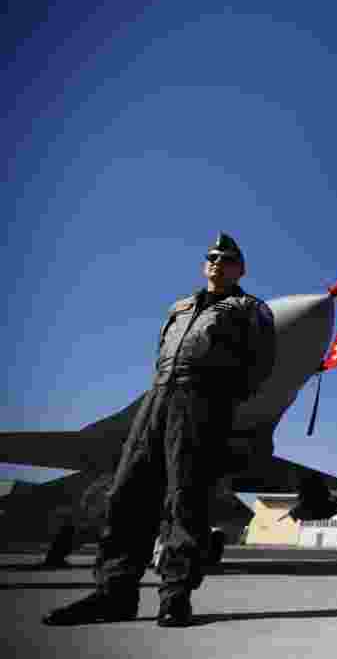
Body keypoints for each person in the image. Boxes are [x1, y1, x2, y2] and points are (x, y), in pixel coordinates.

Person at [43, 233, 276, 627]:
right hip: (157, 398)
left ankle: (175, 597)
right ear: (205, 265)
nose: (217, 262)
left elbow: (261, 364)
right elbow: (161, 353)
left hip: (202, 401)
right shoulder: (179, 307)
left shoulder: (249, 309)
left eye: (227, 259)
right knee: (128, 493)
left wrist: (220, 399)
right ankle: (113, 593)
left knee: (186, 498)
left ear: (241, 269)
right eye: (212, 257)